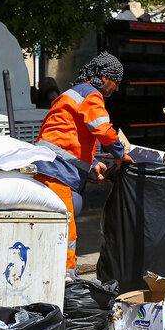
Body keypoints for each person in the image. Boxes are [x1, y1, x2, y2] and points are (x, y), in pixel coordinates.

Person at [34, 51, 133, 280]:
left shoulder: (75, 93)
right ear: (103, 77)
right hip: (54, 172)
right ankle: (65, 281)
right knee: (65, 228)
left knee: (56, 225)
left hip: (51, 168)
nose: (116, 88)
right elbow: (101, 127)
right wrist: (120, 155)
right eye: (115, 82)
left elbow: (69, 140)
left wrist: (93, 165)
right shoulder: (91, 95)